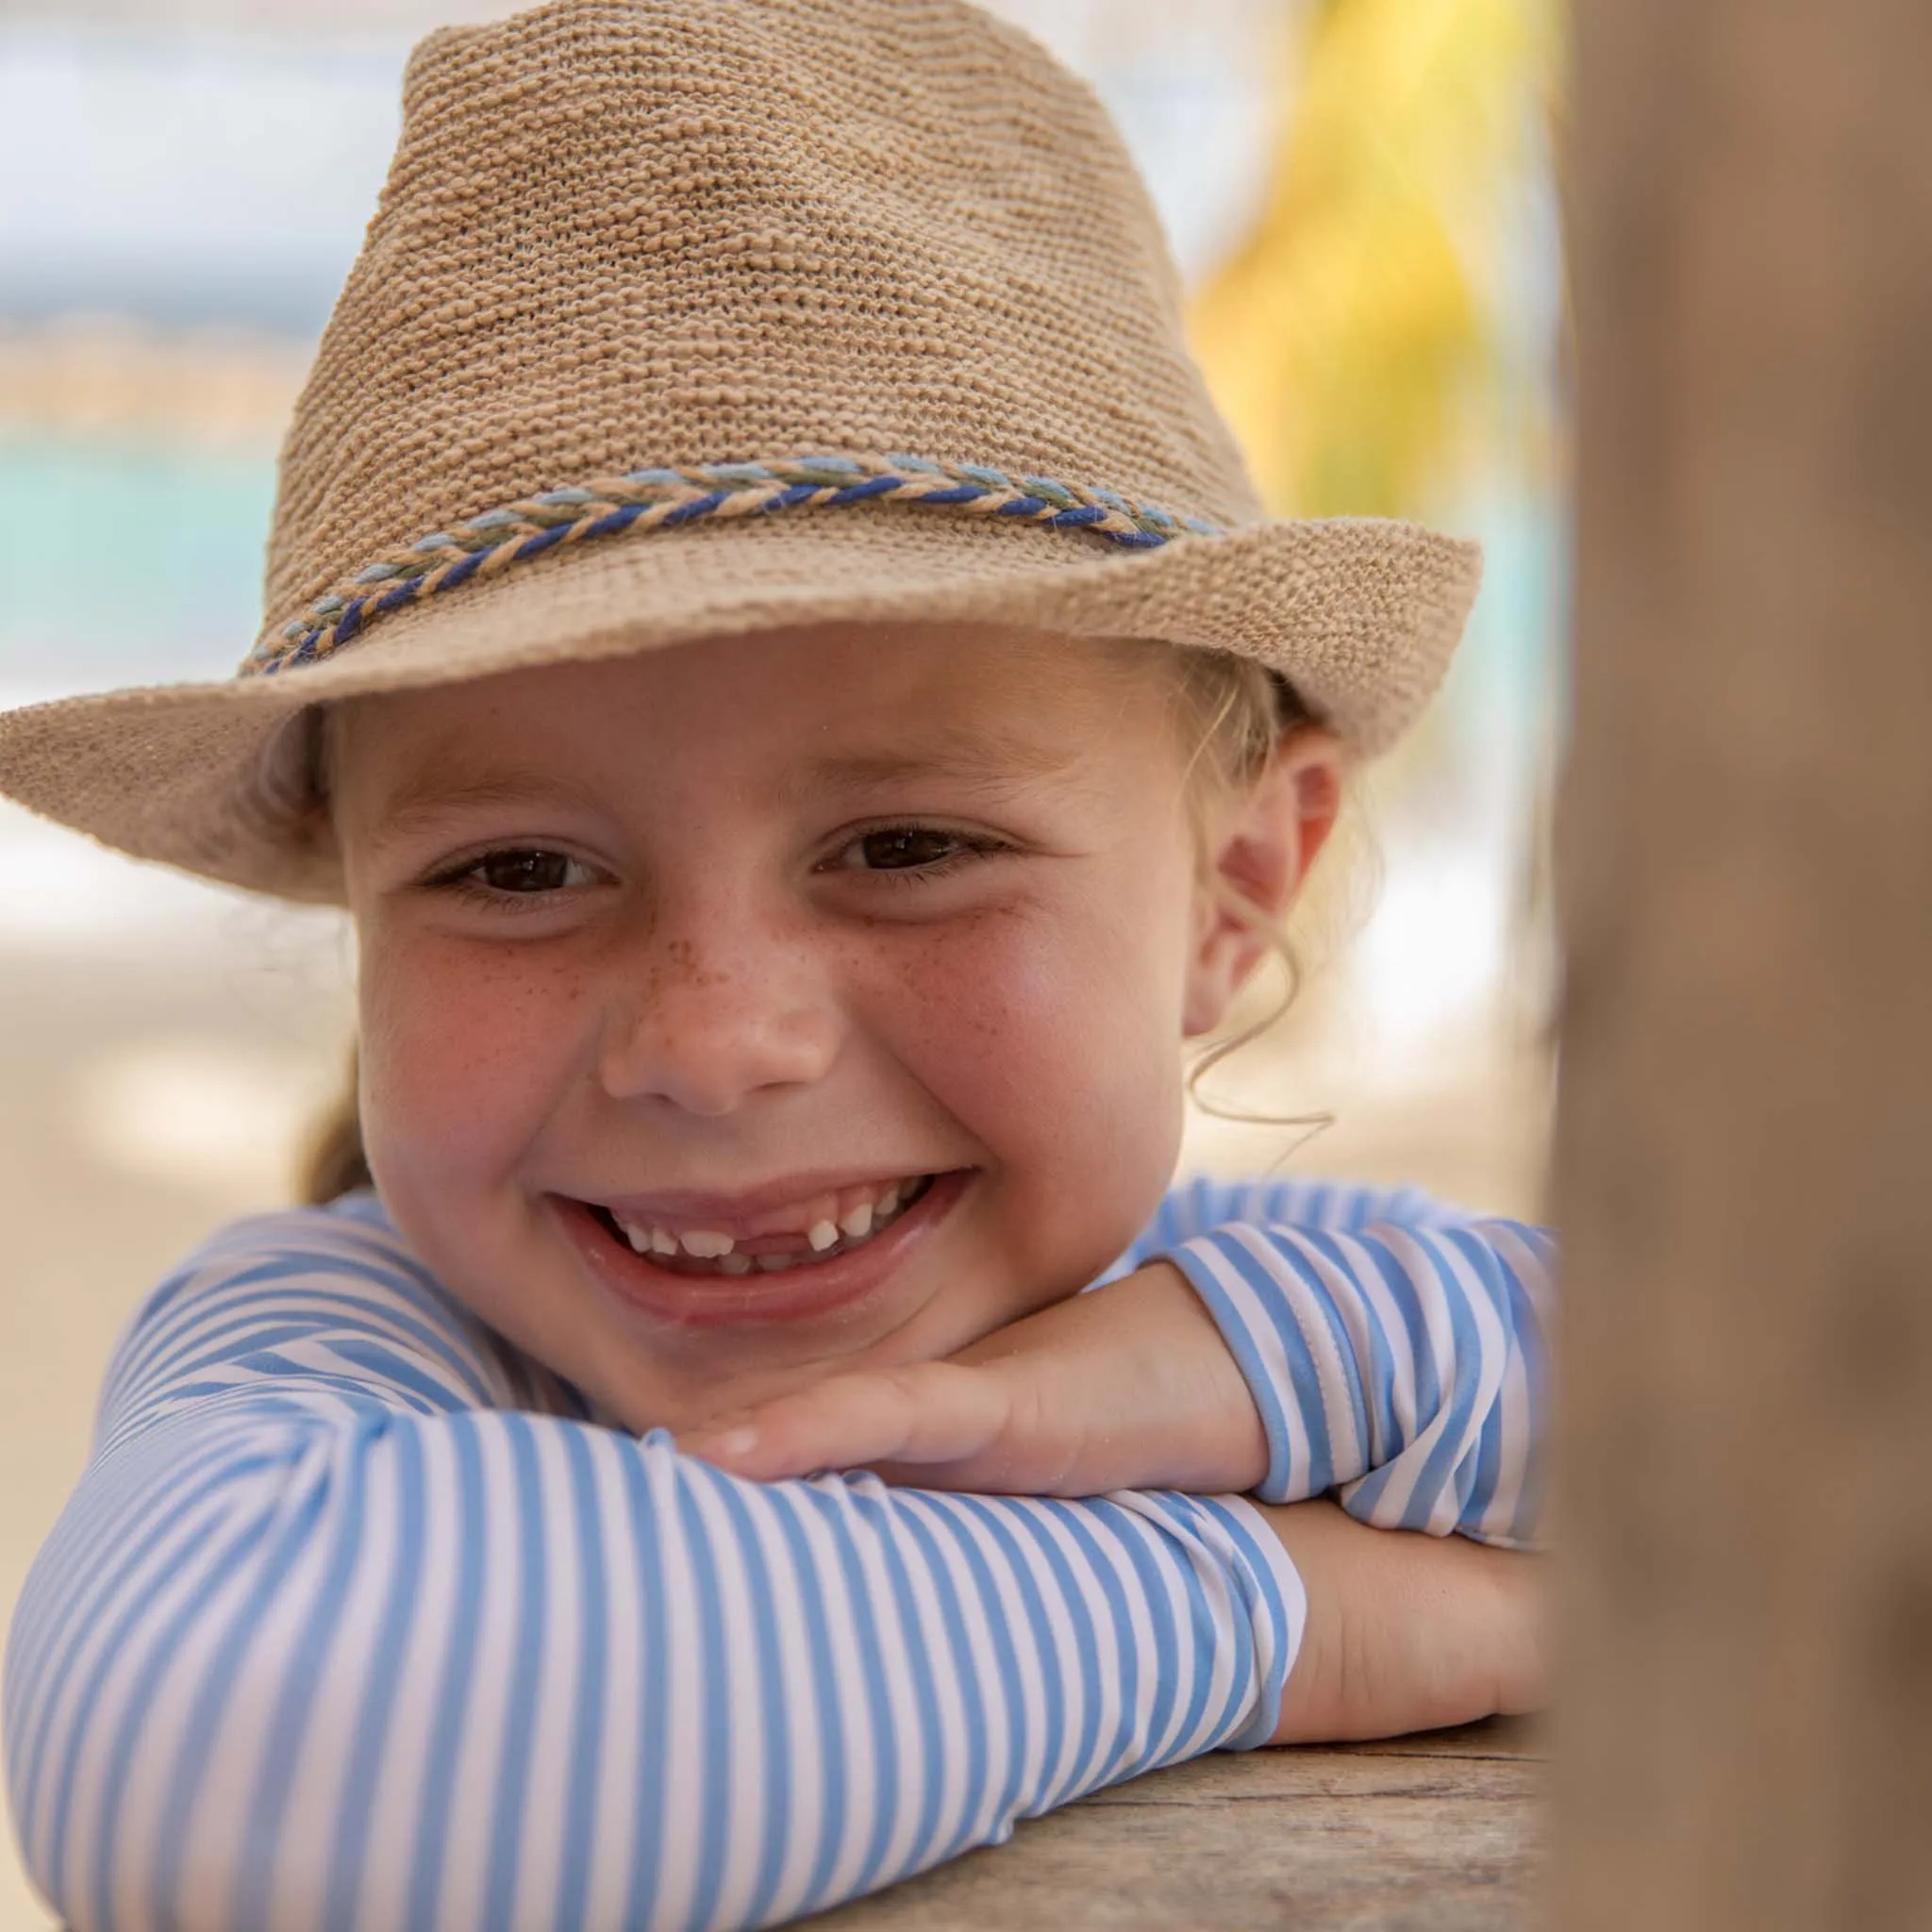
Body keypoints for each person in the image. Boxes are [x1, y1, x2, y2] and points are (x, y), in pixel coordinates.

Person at [0, 2, 1550, 1926]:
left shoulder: (1280, 1311)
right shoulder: (338, 1347)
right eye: (519, 868)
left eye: (907, 849)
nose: (715, 1043)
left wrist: (1185, 1393)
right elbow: (205, 1743)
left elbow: (1741, 1424)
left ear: (1234, 889)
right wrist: (1301, 1612)